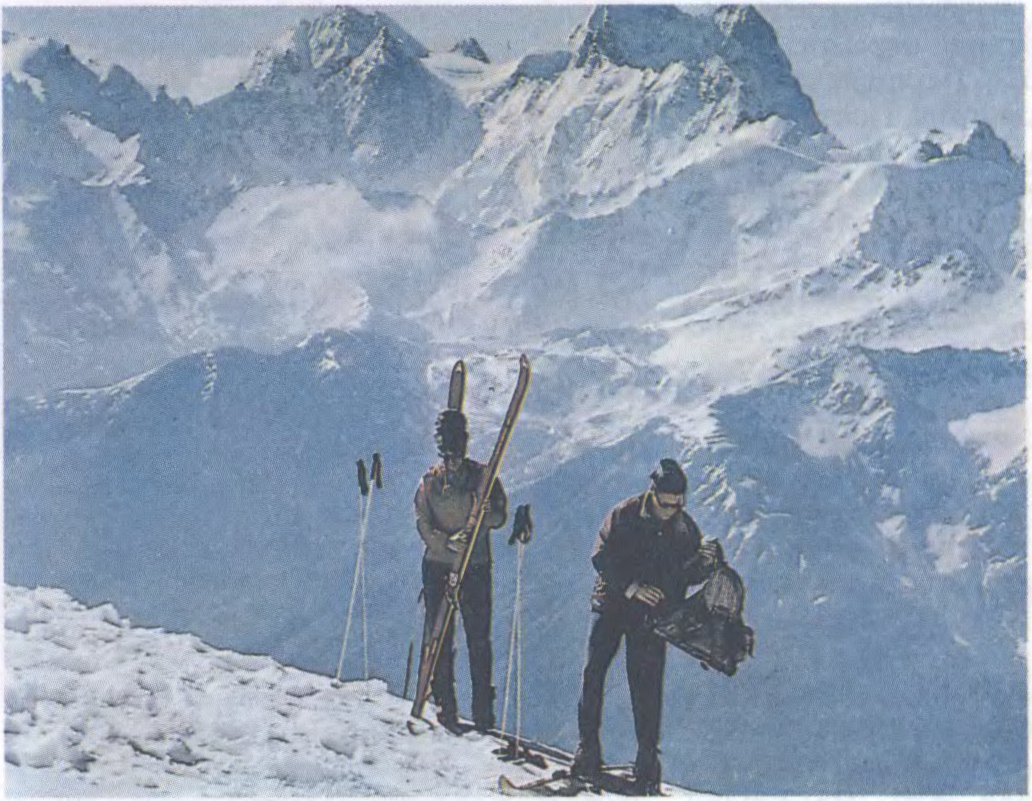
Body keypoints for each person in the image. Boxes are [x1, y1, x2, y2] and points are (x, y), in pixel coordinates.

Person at [572, 458, 721, 795]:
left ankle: (647, 764)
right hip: (612, 603)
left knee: (647, 686)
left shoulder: (685, 528)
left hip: (650, 614)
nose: (672, 512)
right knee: (594, 673)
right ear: (652, 494)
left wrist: (706, 565)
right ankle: (587, 751)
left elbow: (684, 575)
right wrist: (631, 587)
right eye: (667, 504)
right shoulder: (624, 514)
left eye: (678, 505)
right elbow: (600, 556)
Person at [414, 409, 508, 734]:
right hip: (440, 565)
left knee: (478, 638)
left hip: (475, 565)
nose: (452, 460)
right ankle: (446, 705)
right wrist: (447, 543)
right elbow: (423, 522)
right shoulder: (431, 481)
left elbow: (500, 516)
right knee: (440, 636)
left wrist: (484, 516)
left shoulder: (483, 478)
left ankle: (483, 714)